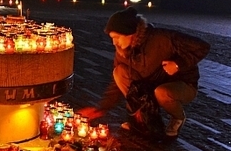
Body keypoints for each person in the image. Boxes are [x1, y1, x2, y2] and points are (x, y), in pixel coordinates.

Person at [80, 7, 211, 138]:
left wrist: (177, 64)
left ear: (130, 33)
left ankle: (178, 117)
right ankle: (143, 117)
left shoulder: (162, 39)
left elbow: (203, 47)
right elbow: (116, 84)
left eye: (117, 37)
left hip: (182, 84)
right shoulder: (122, 51)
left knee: (161, 92)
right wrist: (101, 109)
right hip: (151, 85)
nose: (114, 42)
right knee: (119, 72)